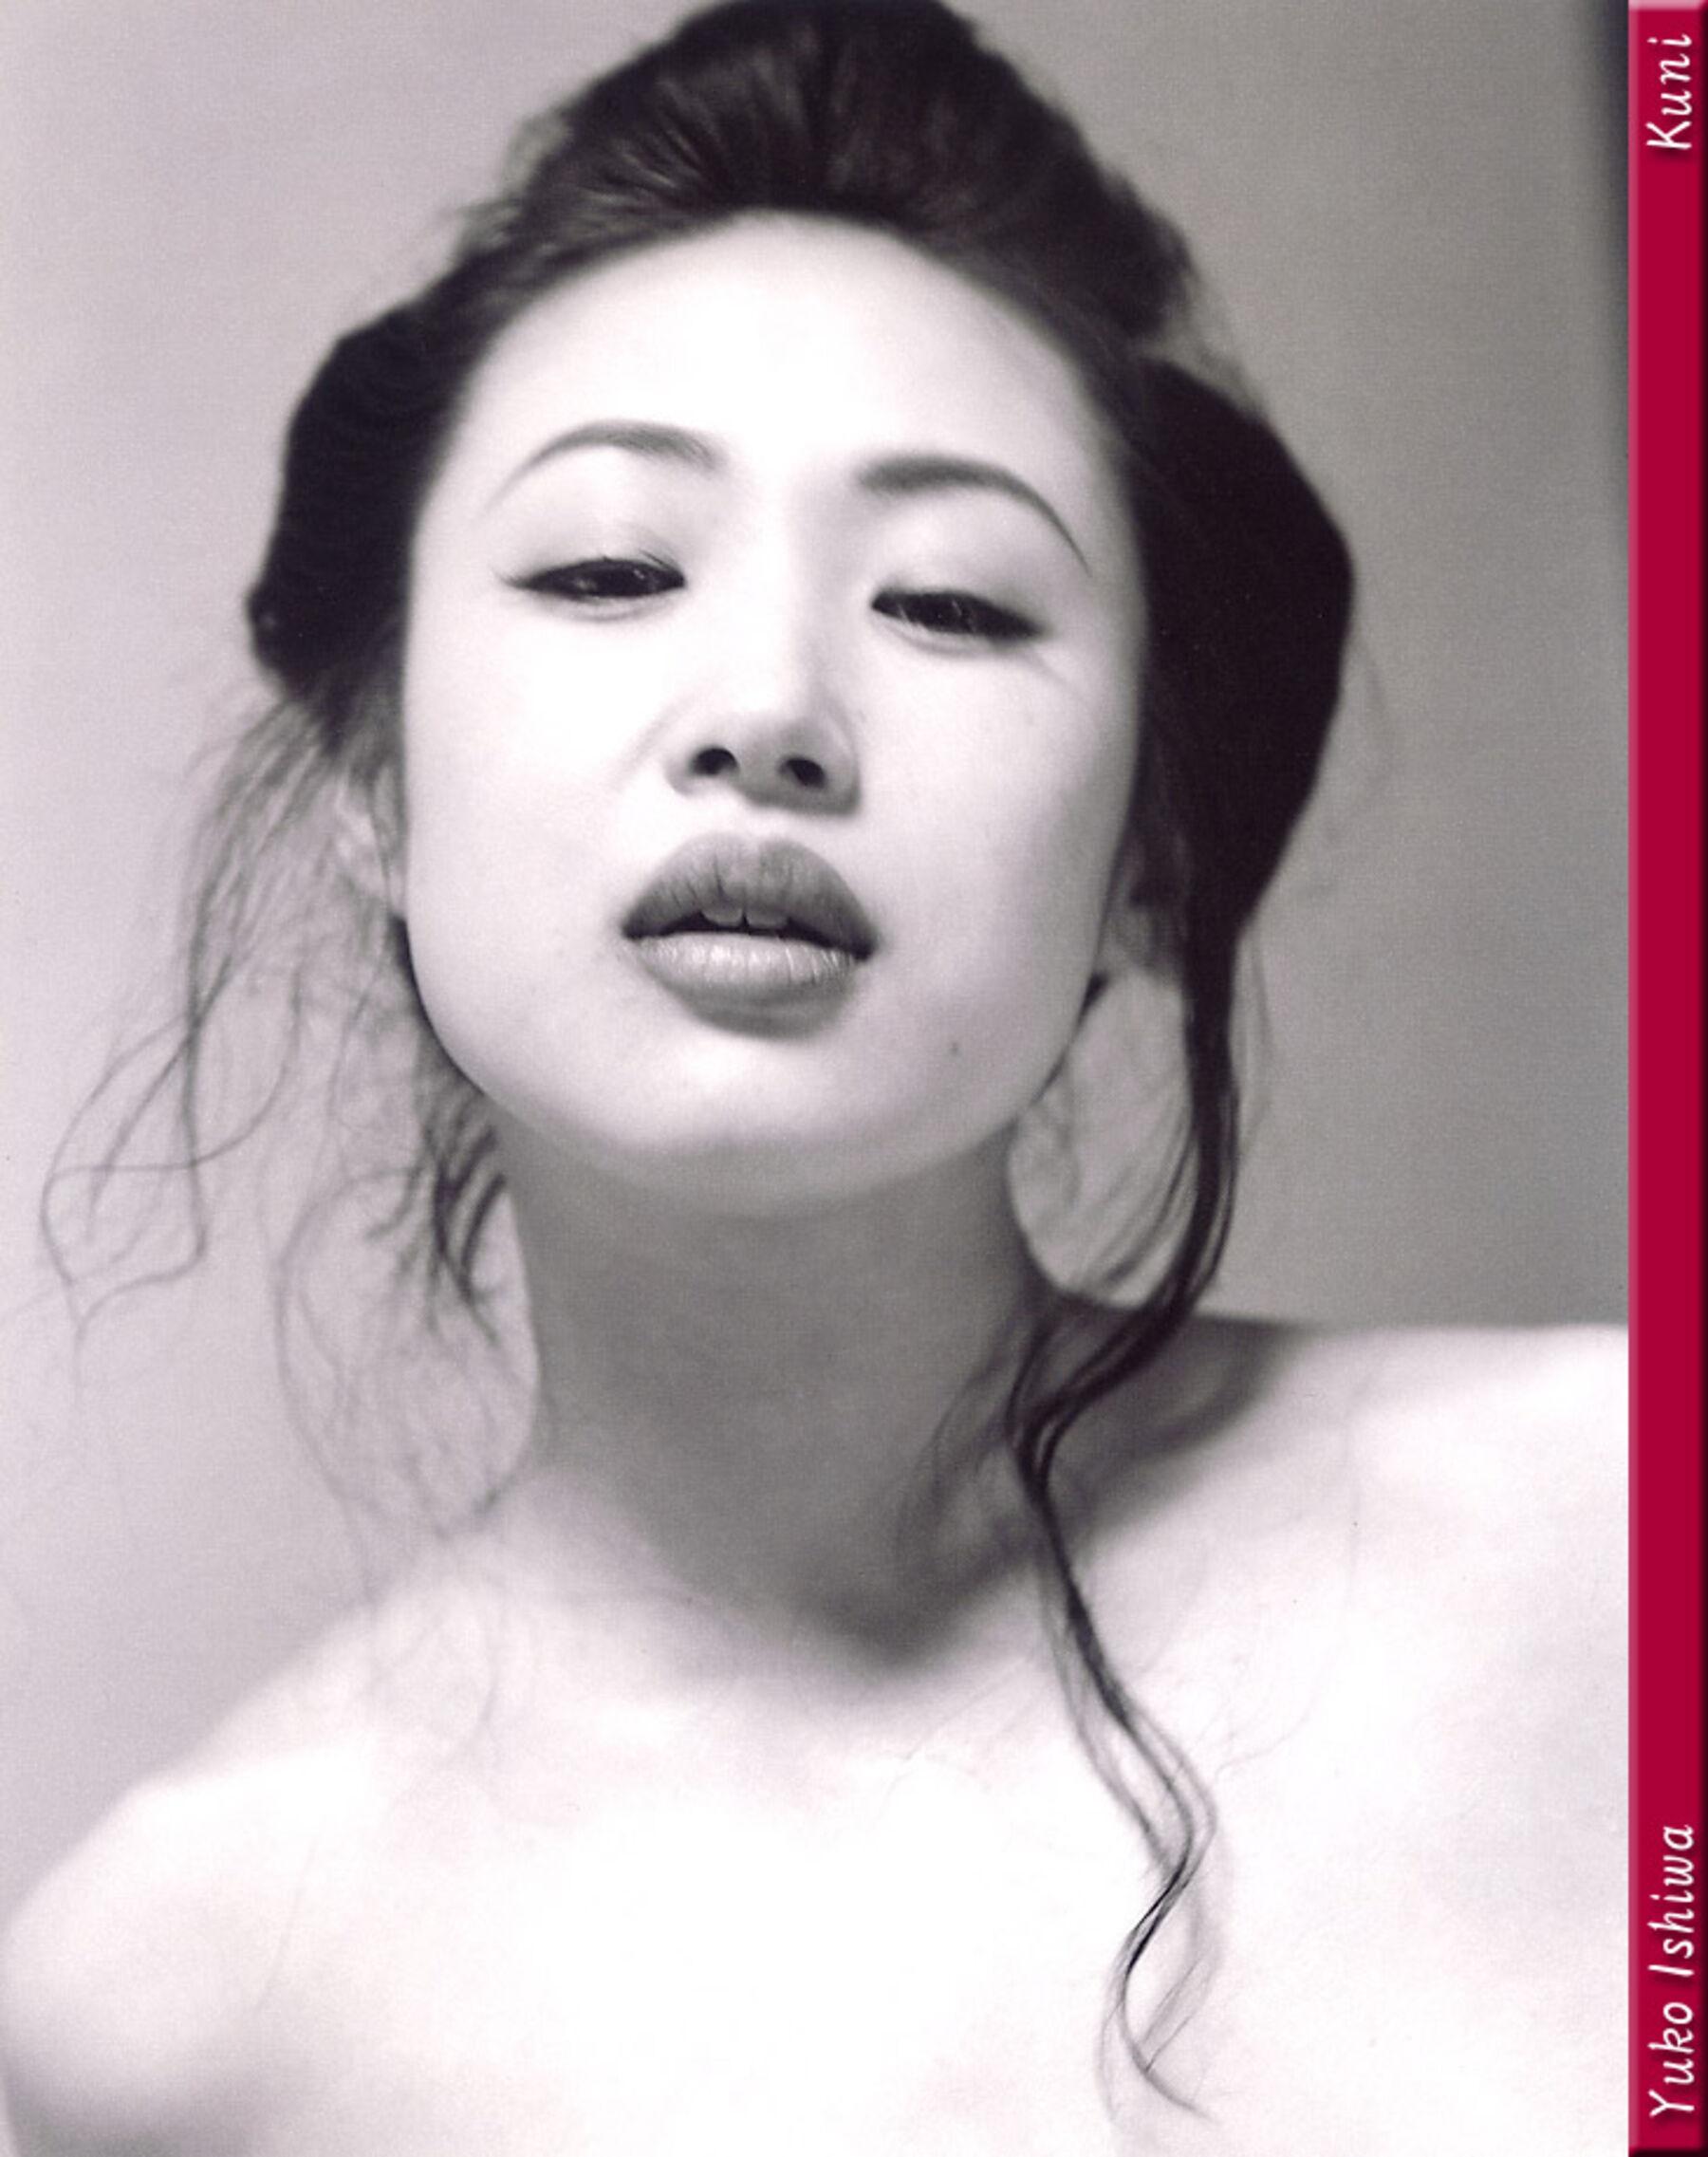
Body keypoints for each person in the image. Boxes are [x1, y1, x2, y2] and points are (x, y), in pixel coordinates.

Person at [0, 2, 1623, 2149]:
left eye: (950, 604)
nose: (768, 707)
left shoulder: (1621, 1533)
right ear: (375, 786)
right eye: (609, 568)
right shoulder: (169, 2011)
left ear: (1153, 860)